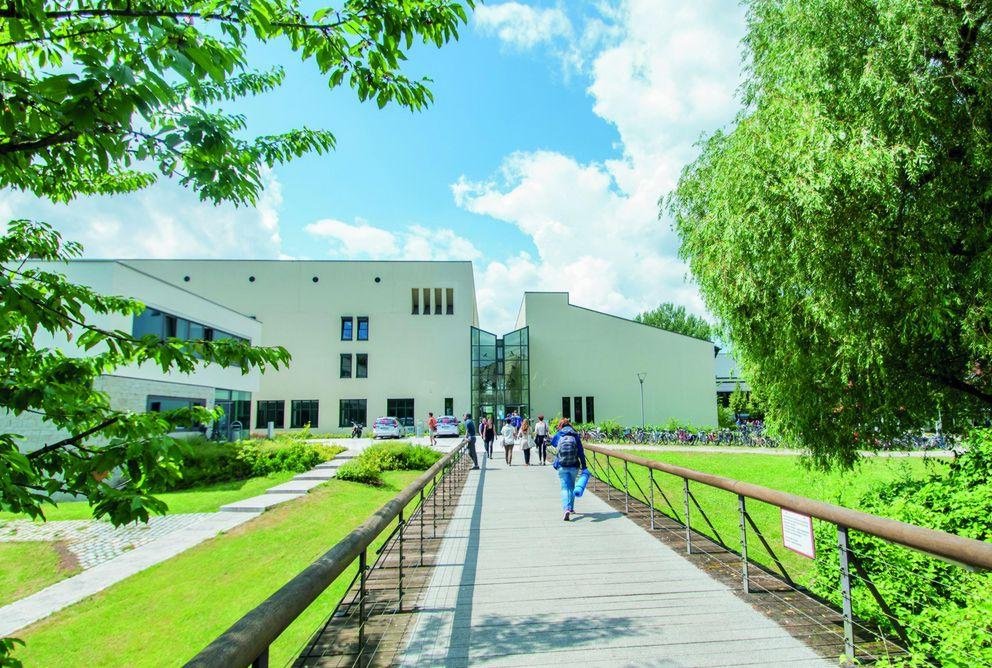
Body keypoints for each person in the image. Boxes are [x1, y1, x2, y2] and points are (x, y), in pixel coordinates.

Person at [552, 417, 587, 521]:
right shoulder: (575, 435)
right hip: (574, 465)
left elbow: (553, 444)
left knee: (564, 488)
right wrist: (584, 466)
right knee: (571, 487)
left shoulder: (559, 434)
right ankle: (570, 508)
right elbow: (581, 452)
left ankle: (566, 508)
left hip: (562, 465)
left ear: (561, 426)